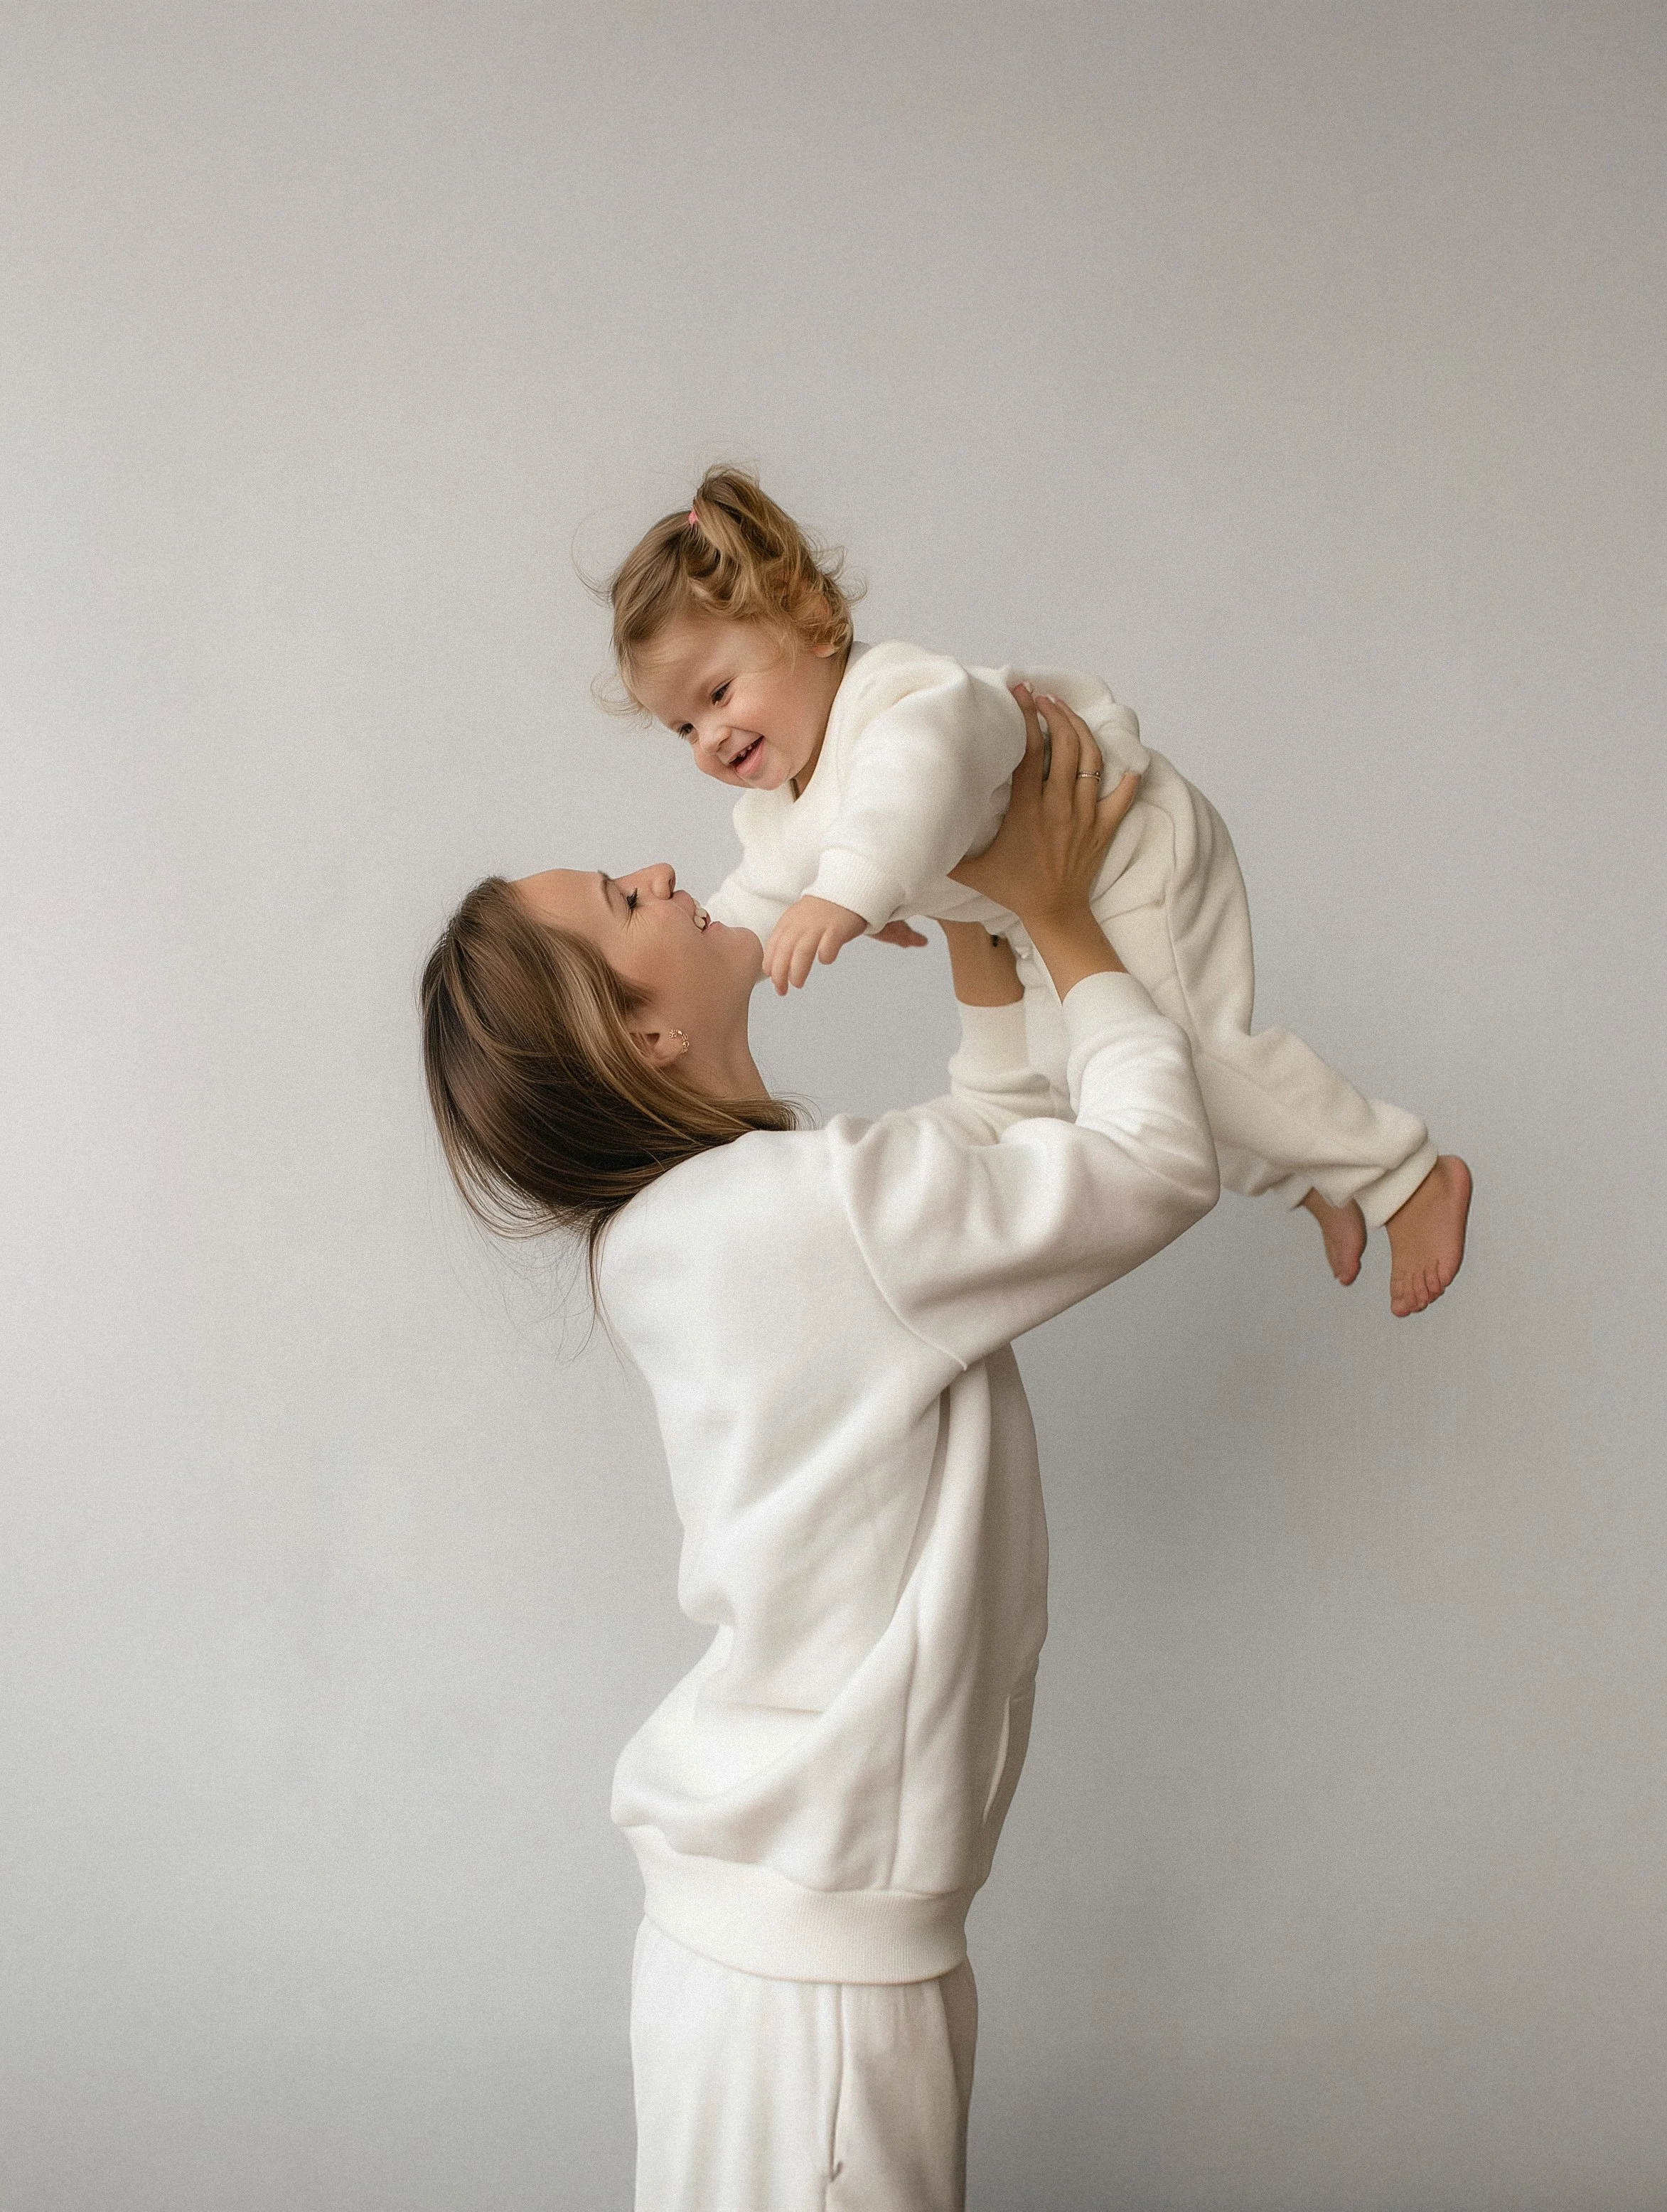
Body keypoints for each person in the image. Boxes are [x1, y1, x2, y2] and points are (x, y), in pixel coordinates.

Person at [420, 692, 1219, 2211]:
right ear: (640, 1028)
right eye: (620, 899)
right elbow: (1147, 1165)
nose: (664, 869)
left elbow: (972, 1176)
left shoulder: (712, 1223)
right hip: (816, 1993)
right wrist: (1057, 921)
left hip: (774, 1953)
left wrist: (981, 930)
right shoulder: (804, 1216)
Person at [604, 465, 1472, 1319]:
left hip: (1124, 848)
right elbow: (751, 906)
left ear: (811, 618)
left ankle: (1402, 1175)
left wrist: (849, 892)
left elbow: (917, 784)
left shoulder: (899, 699)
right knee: (1082, 1076)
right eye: (683, 725)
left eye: (719, 693)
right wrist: (713, 959)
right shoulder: (776, 808)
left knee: (1182, 1053)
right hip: (1039, 907)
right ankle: (1304, 1171)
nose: (709, 738)